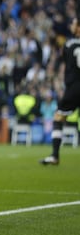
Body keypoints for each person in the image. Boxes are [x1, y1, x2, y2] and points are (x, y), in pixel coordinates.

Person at [40, 16, 80, 165]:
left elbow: (65, 62)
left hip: (75, 87)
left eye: (74, 23)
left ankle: (55, 155)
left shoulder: (69, 44)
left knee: (58, 117)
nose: (71, 25)